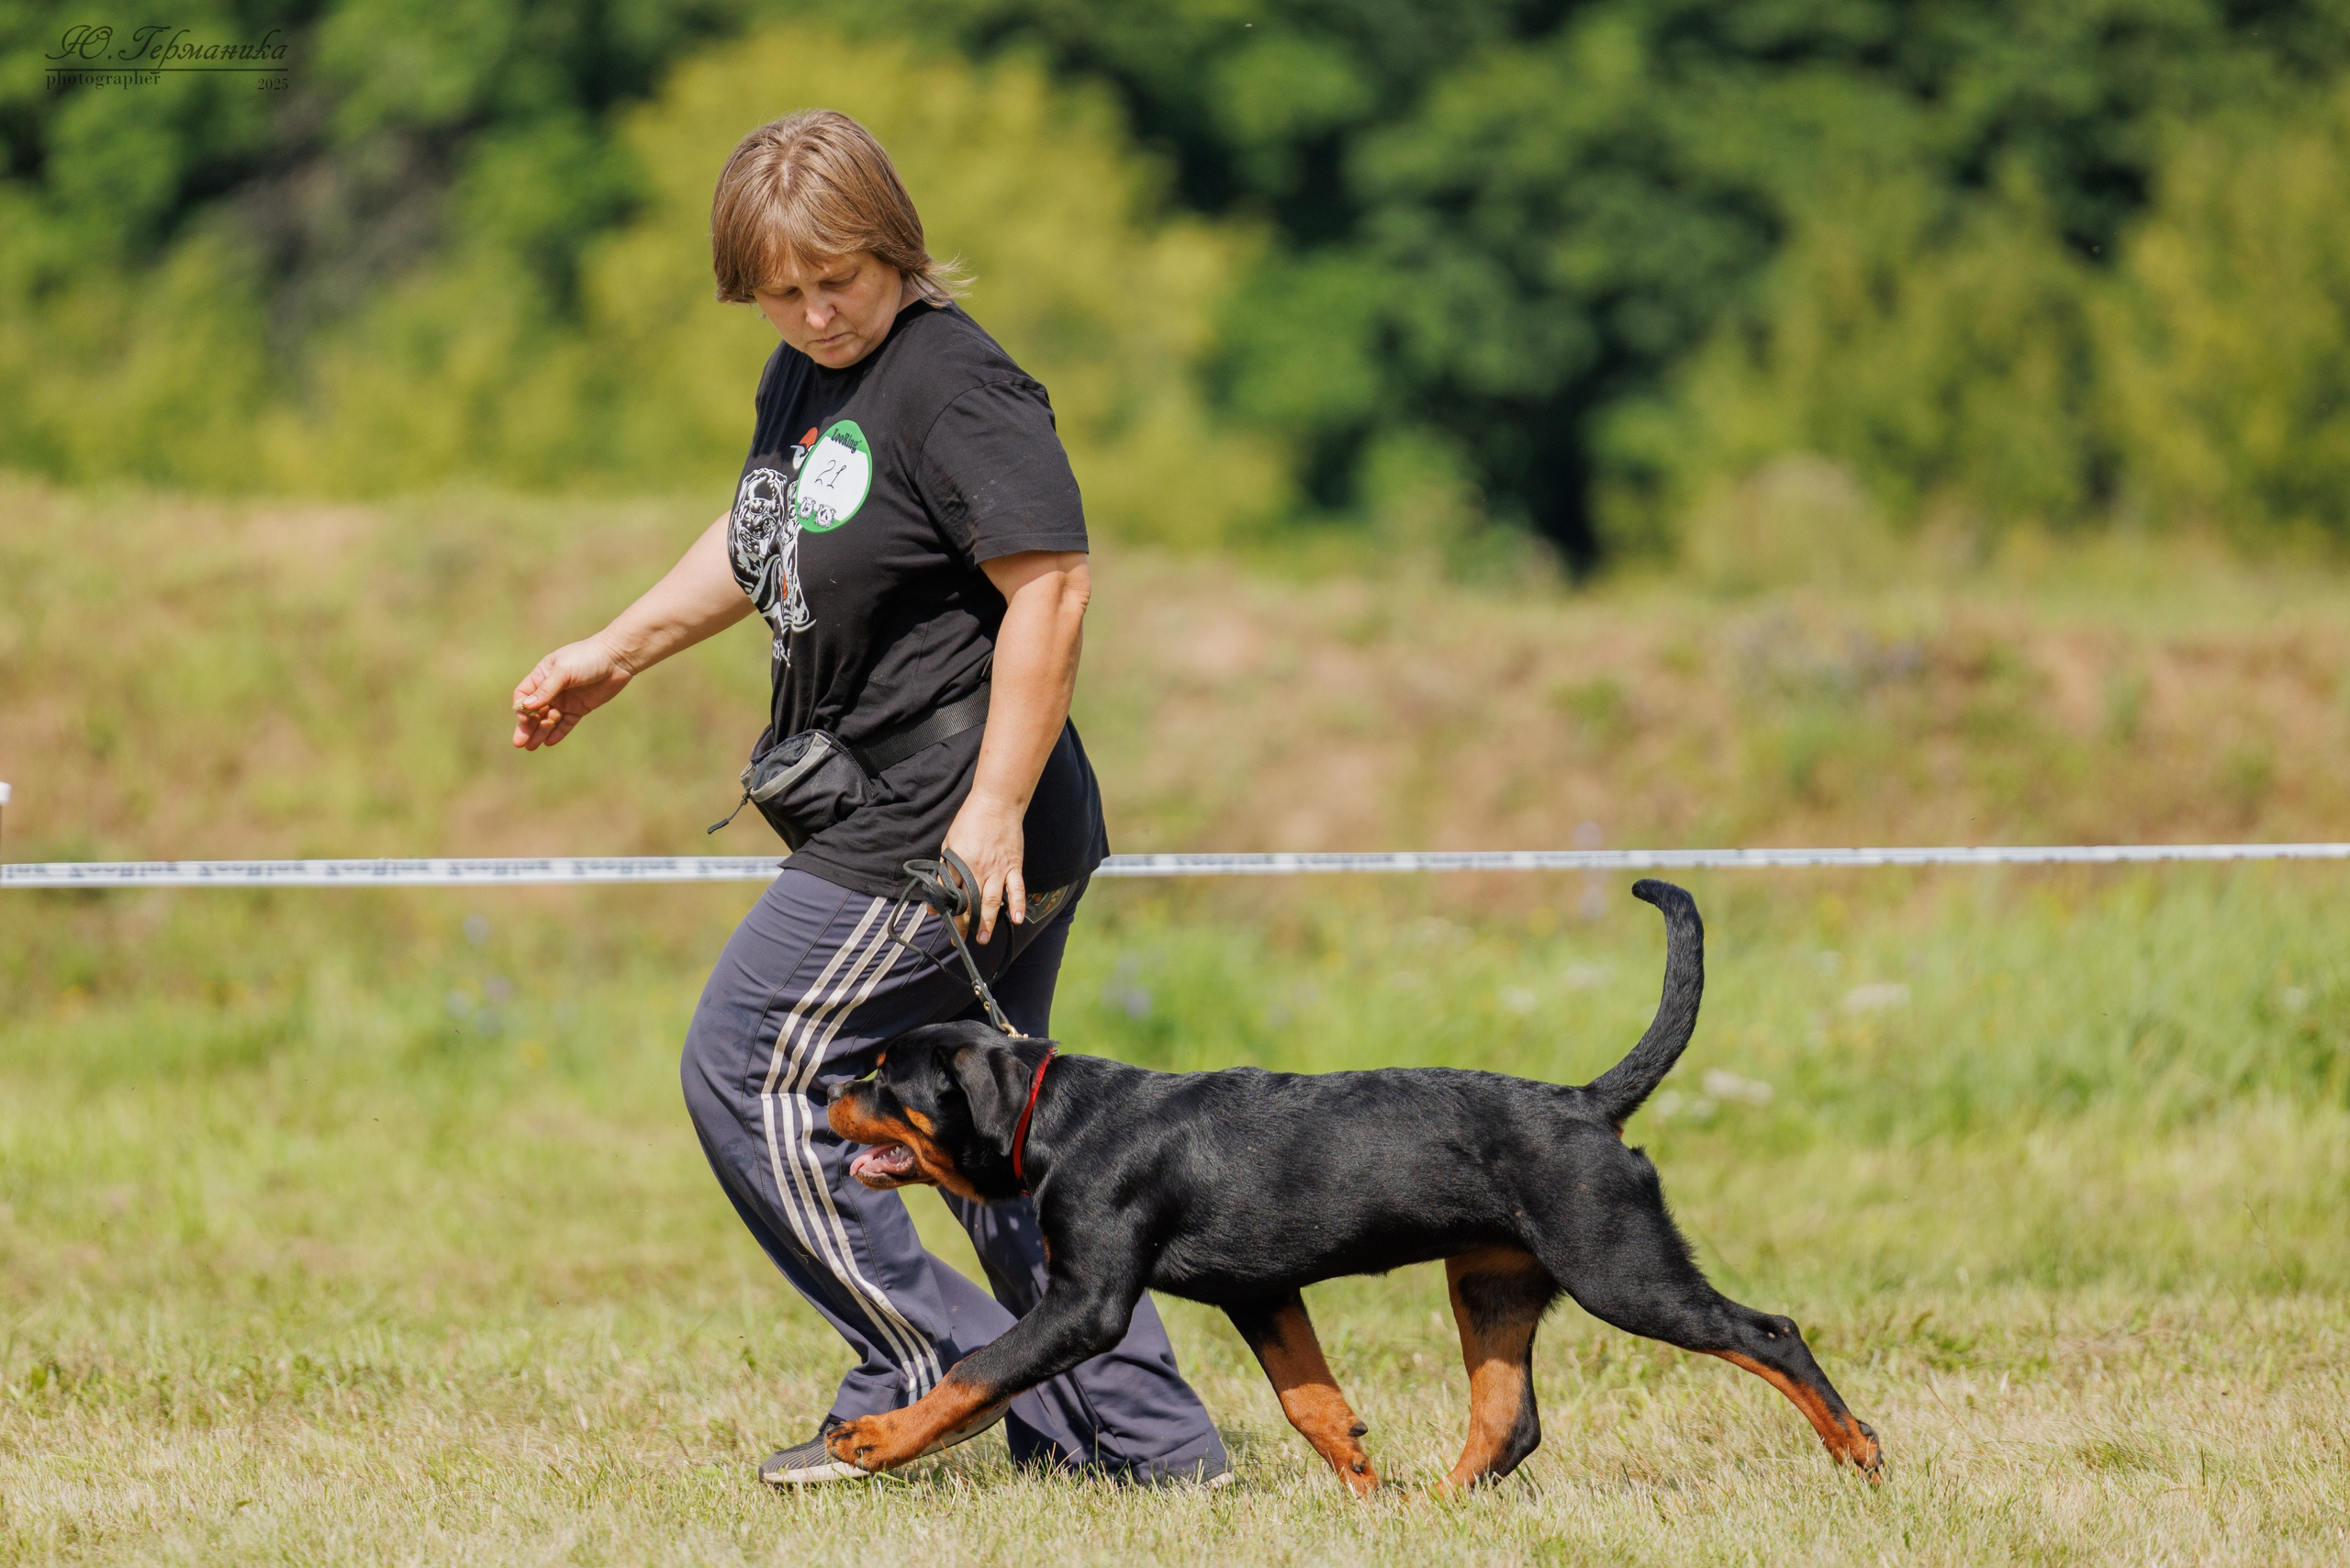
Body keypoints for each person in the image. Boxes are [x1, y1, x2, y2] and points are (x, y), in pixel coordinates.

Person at [508, 109, 1228, 1488]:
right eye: (780, 291)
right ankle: (1145, 1448)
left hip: (952, 814)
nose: (814, 310)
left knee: (752, 1066)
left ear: (894, 246)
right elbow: (763, 537)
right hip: (930, 807)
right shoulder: (807, 375)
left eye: (836, 277)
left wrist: (995, 804)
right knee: (1004, 1138)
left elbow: (1054, 588)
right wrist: (614, 651)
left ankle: (920, 1375)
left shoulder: (959, 386)